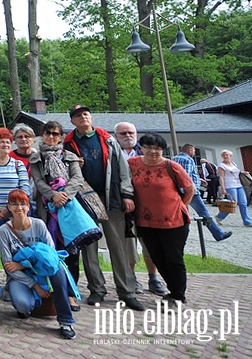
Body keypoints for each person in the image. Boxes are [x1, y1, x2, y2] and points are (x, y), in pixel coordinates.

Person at [62, 105, 143, 311]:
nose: (83, 117)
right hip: (84, 199)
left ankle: (127, 291)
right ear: (72, 121)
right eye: (78, 116)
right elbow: (63, 172)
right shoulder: (69, 143)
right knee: (89, 247)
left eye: (86, 114)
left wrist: (127, 193)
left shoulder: (107, 139)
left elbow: (123, 169)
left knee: (118, 246)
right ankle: (96, 289)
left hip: (111, 196)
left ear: (91, 117)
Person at [0, 189, 78, 340]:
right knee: (24, 306)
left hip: (43, 269)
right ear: (9, 207)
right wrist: (35, 285)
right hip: (20, 277)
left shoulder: (39, 225)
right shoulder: (4, 231)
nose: (19, 208)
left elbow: (51, 256)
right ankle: (28, 300)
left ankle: (66, 321)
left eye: (23, 204)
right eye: (14, 204)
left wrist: (22, 264)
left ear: (29, 207)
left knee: (58, 268)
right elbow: (9, 266)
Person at [128, 133, 196, 302]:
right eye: (148, 147)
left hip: (174, 222)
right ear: (141, 148)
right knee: (157, 258)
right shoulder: (132, 164)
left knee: (174, 259)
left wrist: (181, 206)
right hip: (145, 222)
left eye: (158, 148)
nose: (153, 151)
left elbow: (190, 189)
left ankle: (178, 296)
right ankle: (173, 291)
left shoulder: (171, 166)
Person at [28, 120, 84, 310]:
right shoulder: (36, 159)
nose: (51, 137)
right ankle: (51, 289)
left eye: (55, 133)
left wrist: (64, 196)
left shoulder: (70, 156)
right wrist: (53, 196)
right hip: (47, 209)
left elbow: (77, 179)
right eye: (47, 133)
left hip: (69, 208)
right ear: (42, 135)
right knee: (50, 250)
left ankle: (70, 294)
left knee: (71, 250)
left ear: (61, 136)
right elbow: (38, 181)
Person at [114, 121, 168, 297]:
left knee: (150, 244)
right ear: (116, 137)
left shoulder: (147, 152)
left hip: (148, 206)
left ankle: (154, 278)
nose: (127, 136)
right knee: (129, 245)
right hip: (124, 207)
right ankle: (132, 278)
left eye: (131, 132)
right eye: (123, 133)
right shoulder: (112, 154)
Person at [172, 144, 231, 241]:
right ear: (190, 150)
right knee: (203, 213)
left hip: (178, 191)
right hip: (190, 192)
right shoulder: (188, 160)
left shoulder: (174, 159)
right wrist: (191, 188)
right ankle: (218, 234)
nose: (194, 153)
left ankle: (179, 235)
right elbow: (186, 175)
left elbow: (178, 175)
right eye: (194, 151)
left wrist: (198, 179)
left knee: (180, 214)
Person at [0, 127, 30, 237]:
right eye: (1, 142)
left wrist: (9, 209)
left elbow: (25, 190)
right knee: (2, 246)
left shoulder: (18, 165)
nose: (5, 145)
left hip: (16, 213)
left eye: (8, 142)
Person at [216, 149, 252, 226]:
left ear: (230, 156)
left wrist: (242, 172)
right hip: (229, 186)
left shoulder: (233, 164)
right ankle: (219, 216)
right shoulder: (221, 165)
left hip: (239, 185)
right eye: (224, 155)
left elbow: (237, 172)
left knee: (243, 203)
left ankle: (247, 221)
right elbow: (221, 177)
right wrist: (223, 188)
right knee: (232, 203)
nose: (225, 156)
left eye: (227, 155)